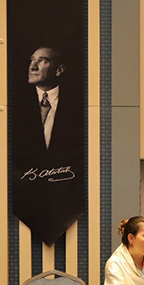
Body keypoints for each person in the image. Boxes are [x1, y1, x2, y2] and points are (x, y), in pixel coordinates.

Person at [11, 44, 85, 245]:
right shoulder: (14, 105)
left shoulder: (79, 106)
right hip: (25, 198)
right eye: (32, 60)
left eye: (42, 61)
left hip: (66, 197)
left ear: (59, 70)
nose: (33, 66)